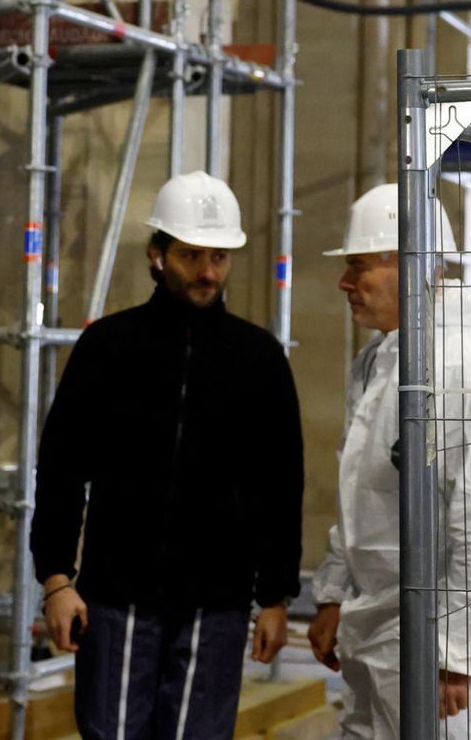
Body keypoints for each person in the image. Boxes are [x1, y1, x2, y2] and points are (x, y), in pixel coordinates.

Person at [32, 170, 304, 740]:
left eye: (220, 257)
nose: (208, 272)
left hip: (218, 606)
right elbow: (61, 469)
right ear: (156, 254)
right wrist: (57, 579)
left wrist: (274, 596)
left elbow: (279, 487)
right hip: (116, 600)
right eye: (191, 255)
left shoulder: (260, 360)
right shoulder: (107, 348)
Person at [308, 183, 471, 740]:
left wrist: (460, 652)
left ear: (410, 263)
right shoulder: (376, 361)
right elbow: (357, 496)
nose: (344, 283)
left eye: (358, 267)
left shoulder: (468, 368)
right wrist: (330, 594)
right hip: (373, 625)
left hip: (434, 642)